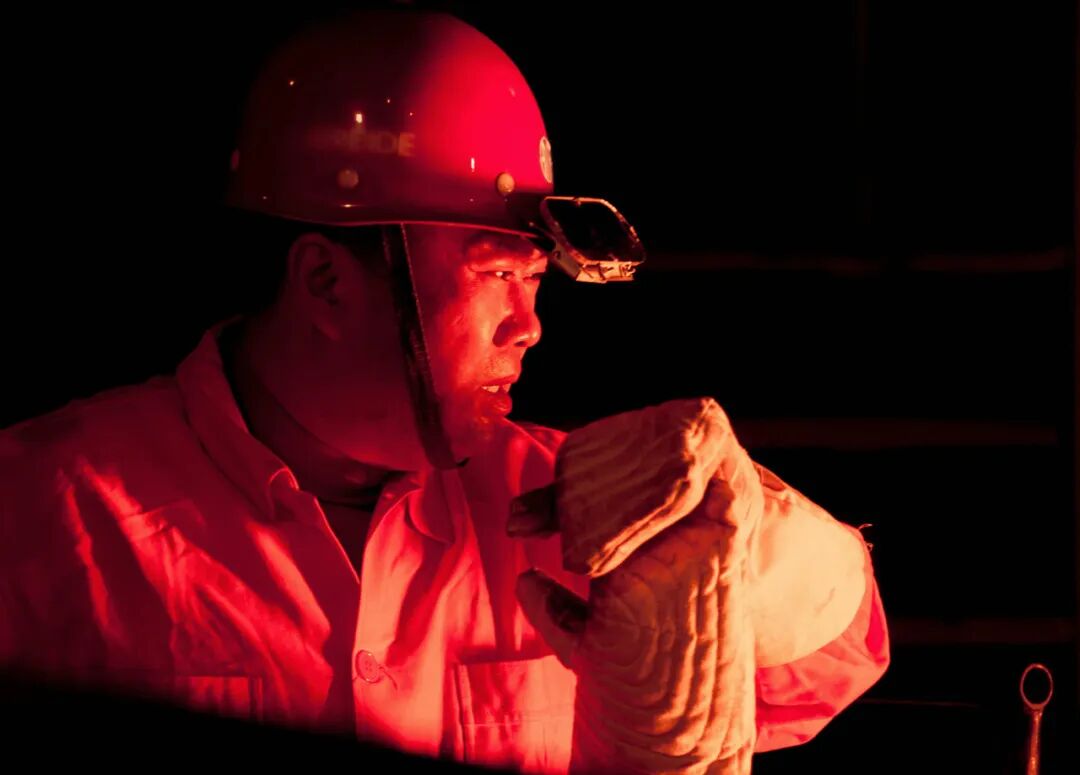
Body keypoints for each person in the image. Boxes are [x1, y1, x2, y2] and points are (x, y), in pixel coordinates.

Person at [0, 9, 889, 773]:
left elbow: (834, 668)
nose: (529, 326)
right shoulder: (46, 510)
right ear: (325, 283)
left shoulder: (592, 519)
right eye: (496, 273)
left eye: (534, 281)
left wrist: (759, 540)